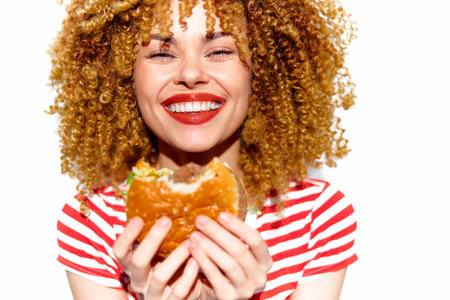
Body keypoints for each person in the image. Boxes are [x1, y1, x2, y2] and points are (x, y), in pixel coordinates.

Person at [49, 0, 358, 299]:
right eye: (161, 54)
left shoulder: (316, 217)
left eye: (220, 50)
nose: (191, 74)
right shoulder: (92, 222)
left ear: (261, 73)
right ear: (124, 75)